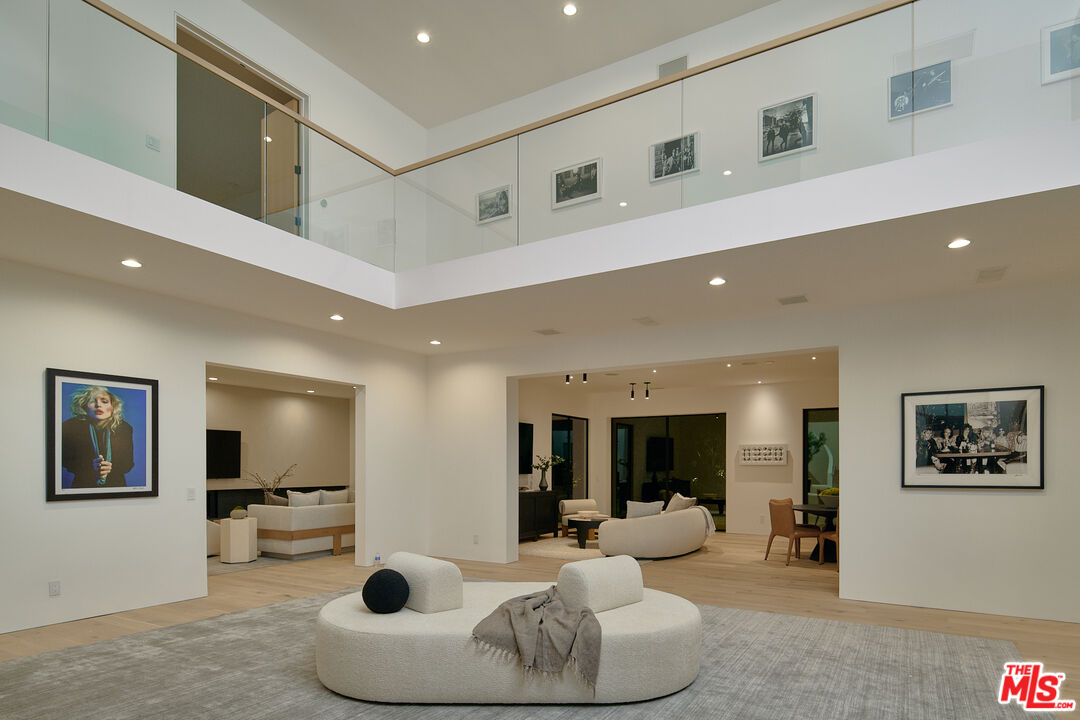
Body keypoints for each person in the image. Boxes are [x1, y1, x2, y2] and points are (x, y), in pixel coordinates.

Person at [61, 385, 134, 488]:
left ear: (113, 406)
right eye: (92, 401)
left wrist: (111, 468)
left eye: (104, 401)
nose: (98, 405)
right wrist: (90, 466)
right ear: (84, 406)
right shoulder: (70, 427)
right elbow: (65, 461)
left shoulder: (124, 429)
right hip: (83, 487)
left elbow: (128, 464)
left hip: (115, 487)